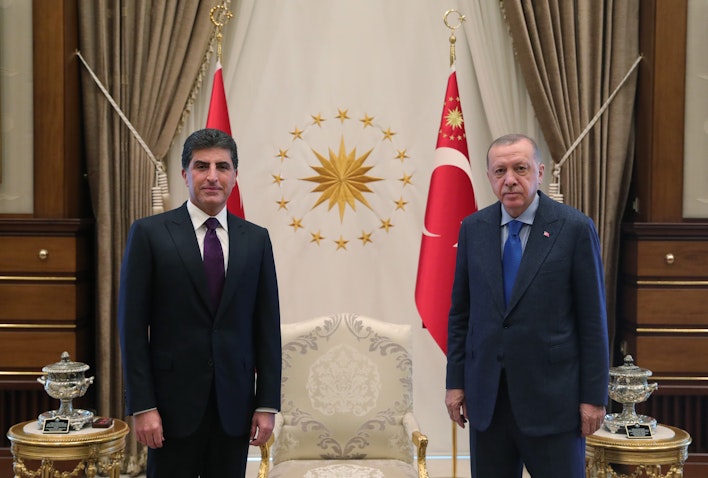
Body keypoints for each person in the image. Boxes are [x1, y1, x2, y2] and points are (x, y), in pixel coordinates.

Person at [118, 128, 281, 478]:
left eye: (222, 167)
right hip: (170, 408)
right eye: (201, 166)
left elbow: (266, 328)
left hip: (234, 407)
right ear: (184, 174)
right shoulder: (149, 234)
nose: (212, 176)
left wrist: (266, 404)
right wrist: (143, 405)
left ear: (234, 176)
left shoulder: (256, 240)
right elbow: (131, 329)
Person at [445, 134, 609, 477]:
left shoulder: (574, 229)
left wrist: (594, 397)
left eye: (520, 168)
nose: (510, 180)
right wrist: (455, 383)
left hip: (554, 403)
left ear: (540, 172)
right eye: (500, 171)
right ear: (489, 178)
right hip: (488, 402)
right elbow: (461, 315)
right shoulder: (474, 229)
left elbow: (593, 321)